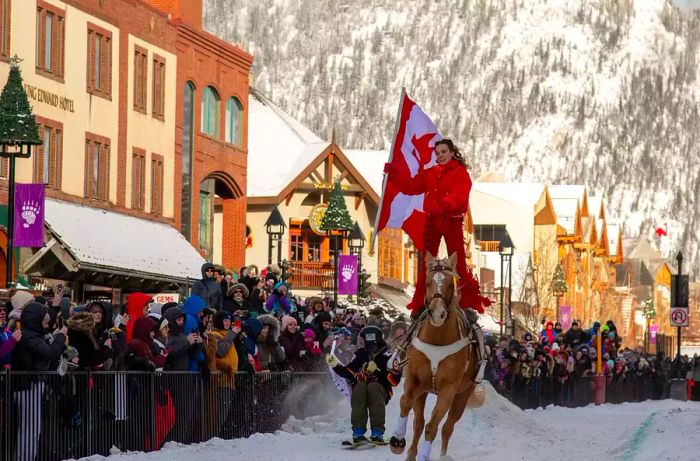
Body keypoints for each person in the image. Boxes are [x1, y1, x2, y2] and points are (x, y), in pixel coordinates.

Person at [326, 325, 401, 445]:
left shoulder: (387, 355)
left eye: (363, 340)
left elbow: (395, 380)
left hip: (380, 389)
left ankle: (377, 432)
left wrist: (376, 371)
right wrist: (335, 365)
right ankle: (358, 432)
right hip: (362, 386)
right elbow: (349, 372)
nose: (361, 343)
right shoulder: (361, 354)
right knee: (360, 387)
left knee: (373, 387)